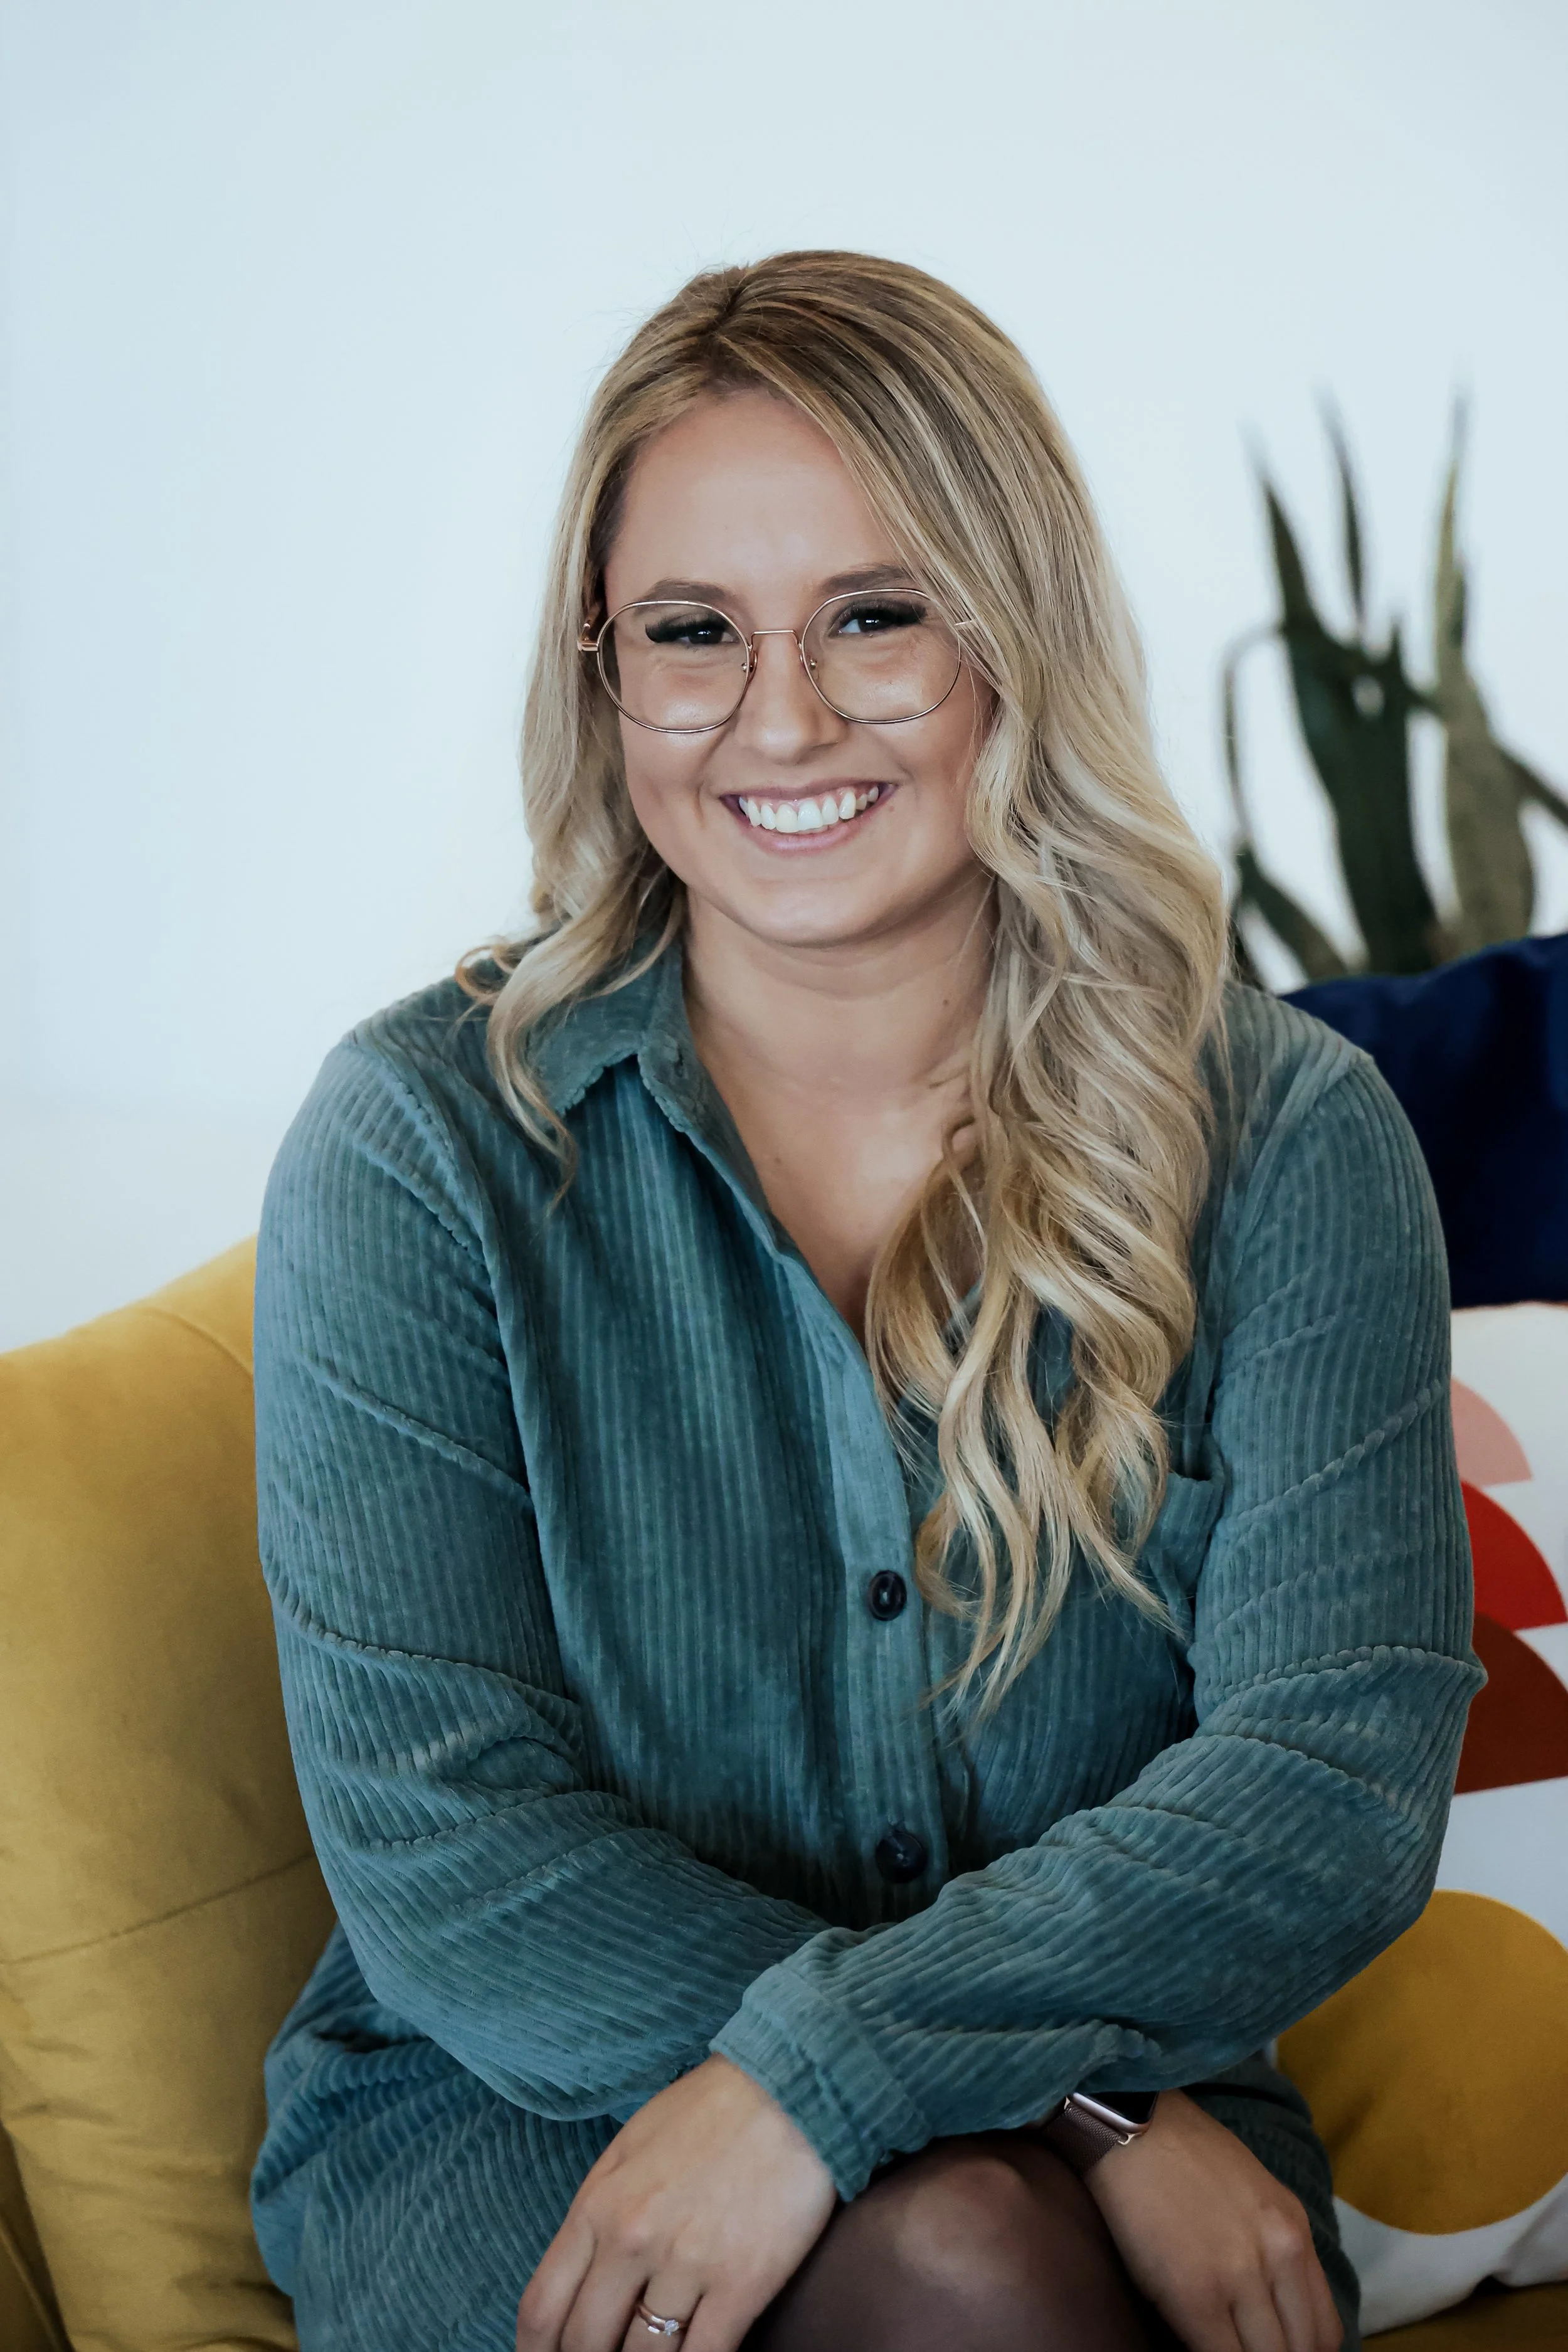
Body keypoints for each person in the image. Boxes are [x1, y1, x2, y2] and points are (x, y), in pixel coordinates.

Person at [250, 252, 1480, 2352]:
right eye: (692, 633)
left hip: (1132, 2132)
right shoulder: (421, 1146)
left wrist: (870, 2078)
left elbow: (1330, 1776)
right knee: (966, 2248)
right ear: (601, 671)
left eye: (874, 615)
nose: (783, 717)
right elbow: (448, 1846)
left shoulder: (1284, 1140)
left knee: (975, 2246)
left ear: (1012, 634)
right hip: (541, 2113)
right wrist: (1082, 2104)